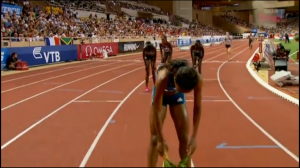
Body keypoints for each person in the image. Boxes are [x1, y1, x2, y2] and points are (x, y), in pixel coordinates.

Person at [147, 59, 203, 167]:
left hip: (176, 97)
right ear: (175, 79)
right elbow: (156, 110)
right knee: (155, 140)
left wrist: (194, 136)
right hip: (161, 96)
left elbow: (197, 107)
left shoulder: (196, 79)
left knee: (185, 140)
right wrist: (161, 140)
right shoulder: (163, 77)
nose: (183, 92)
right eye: (181, 89)